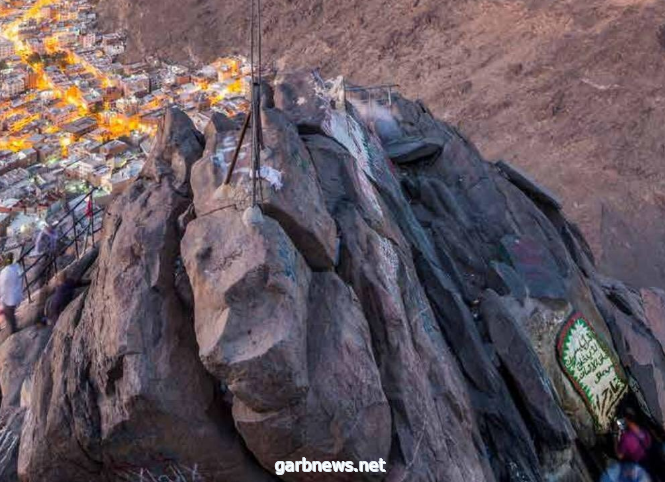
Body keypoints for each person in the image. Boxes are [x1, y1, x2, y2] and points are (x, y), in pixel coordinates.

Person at [0, 253, 24, 334]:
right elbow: (21, 273)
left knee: (9, 315)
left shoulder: (4, 272)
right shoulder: (16, 267)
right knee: (11, 313)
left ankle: (12, 330)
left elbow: (2, 286)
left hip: (7, 297)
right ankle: (12, 328)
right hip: (15, 294)